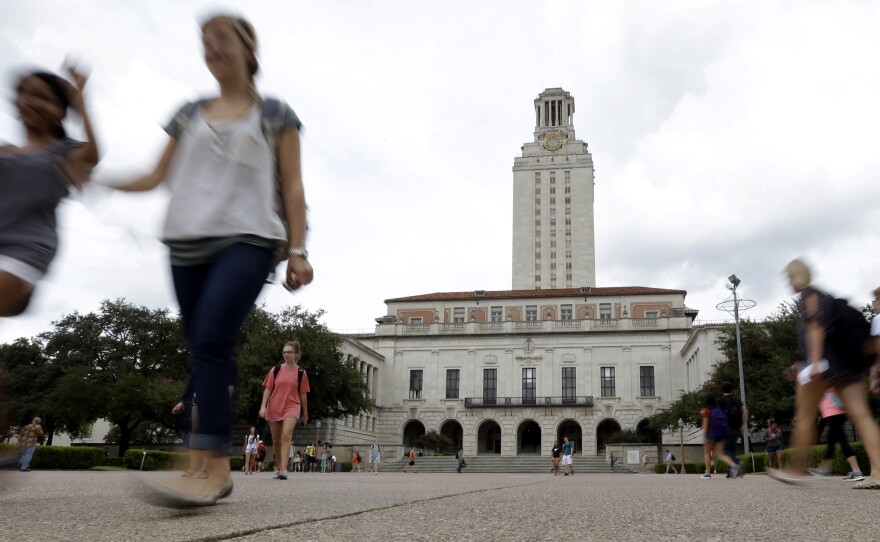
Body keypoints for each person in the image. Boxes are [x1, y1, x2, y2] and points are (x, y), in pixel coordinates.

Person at [115, 14, 312, 507]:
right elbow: (155, 175)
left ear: (248, 49)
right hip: (186, 241)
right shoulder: (189, 112)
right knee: (205, 347)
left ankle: (210, 462)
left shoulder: (274, 113)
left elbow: (292, 186)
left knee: (211, 338)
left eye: (222, 38)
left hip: (249, 238)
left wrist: (298, 249)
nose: (212, 48)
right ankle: (205, 462)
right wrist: (96, 175)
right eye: (205, 42)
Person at [770, 261, 880, 489]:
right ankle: (878, 472)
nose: (789, 282)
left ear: (798, 276)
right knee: (862, 416)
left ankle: (797, 468)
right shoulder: (826, 296)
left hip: (827, 365)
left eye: (790, 277)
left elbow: (817, 326)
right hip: (848, 365)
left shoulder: (809, 295)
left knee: (805, 416)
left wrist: (815, 362)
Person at [1, 64, 99, 316]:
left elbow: (93, 154)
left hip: (24, 252)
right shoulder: (4, 153)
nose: (32, 101)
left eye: (43, 97)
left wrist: (80, 101)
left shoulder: (63, 152)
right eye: (27, 93)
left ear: (60, 112)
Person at [260, 341, 310, 481]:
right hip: (274, 407)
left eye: (289, 352)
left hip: (292, 406)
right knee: (276, 440)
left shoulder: (301, 373)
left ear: (297, 355)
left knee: (286, 435)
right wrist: (263, 406)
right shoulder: (275, 370)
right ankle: (278, 466)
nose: (286, 354)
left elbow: (303, 394)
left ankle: (283, 468)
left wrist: (305, 413)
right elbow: (268, 389)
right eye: (284, 352)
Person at [807, 388, 865, 481]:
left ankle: (856, 471)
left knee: (841, 439)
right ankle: (826, 469)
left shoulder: (825, 376)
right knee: (831, 440)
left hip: (833, 409)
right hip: (836, 409)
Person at [700, 394, 738, 479]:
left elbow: (705, 425)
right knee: (720, 454)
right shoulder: (718, 410)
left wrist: (704, 436)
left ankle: (708, 473)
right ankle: (733, 465)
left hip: (710, 434)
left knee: (707, 453)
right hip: (720, 433)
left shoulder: (705, 410)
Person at [718, 381, 748, 474]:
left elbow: (718, 415)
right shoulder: (737, 400)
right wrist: (743, 425)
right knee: (732, 449)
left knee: (724, 450)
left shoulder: (721, 400)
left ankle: (737, 462)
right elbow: (746, 411)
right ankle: (731, 472)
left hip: (726, 428)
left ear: (722, 390)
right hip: (737, 427)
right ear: (732, 390)